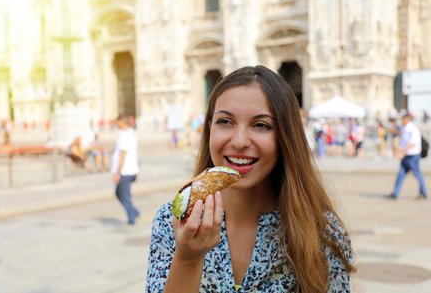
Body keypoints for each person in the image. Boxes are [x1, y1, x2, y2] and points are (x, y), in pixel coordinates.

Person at [145, 65, 355, 292]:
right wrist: (188, 258)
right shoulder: (171, 222)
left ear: (286, 137)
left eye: (261, 125)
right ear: (209, 129)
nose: (240, 141)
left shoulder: (322, 233)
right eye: (225, 121)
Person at [388, 111, 428, 200]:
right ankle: (395, 193)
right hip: (406, 155)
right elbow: (396, 131)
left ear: (407, 119)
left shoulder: (413, 129)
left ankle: (423, 192)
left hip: (412, 156)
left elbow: (412, 143)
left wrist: (402, 151)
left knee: (417, 174)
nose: (401, 120)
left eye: (402, 118)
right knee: (401, 174)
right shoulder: (404, 128)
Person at [110, 114, 140, 225]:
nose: (116, 124)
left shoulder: (125, 136)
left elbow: (123, 154)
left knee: (124, 195)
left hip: (125, 171)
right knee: (119, 193)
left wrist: (118, 172)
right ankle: (134, 212)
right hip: (131, 169)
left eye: (117, 122)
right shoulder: (131, 133)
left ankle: (132, 218)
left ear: (121, 122)